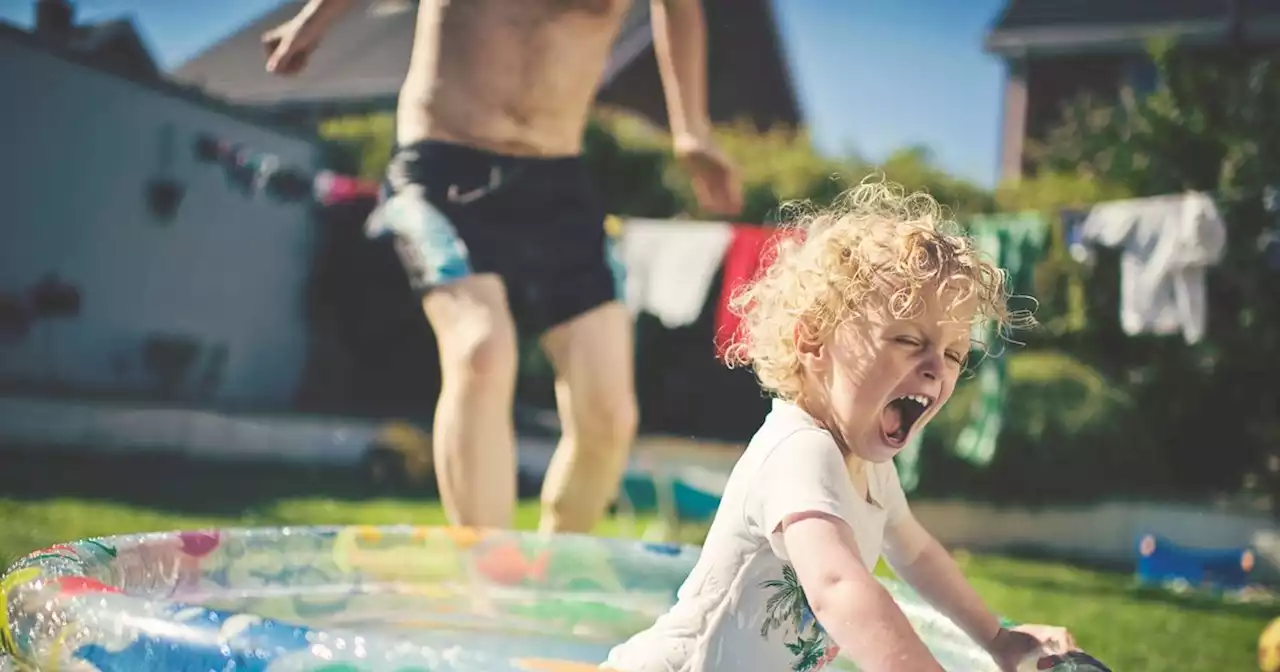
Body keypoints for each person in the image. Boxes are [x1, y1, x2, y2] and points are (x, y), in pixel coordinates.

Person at [261, 0, 742, 533]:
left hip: (557, 181)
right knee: (482, 350)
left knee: (608, 412)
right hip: (444, 162)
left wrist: (690, 127)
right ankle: (486, 586)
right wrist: (314, 20)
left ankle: (557, 574)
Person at [604, 179, 1084, 672]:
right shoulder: (799, 451)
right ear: (814, 341)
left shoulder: (867, 465)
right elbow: (837, 588)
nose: (936, 368)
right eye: (908, 339)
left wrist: (998, 638)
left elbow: (916, 554)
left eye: (954, 354)